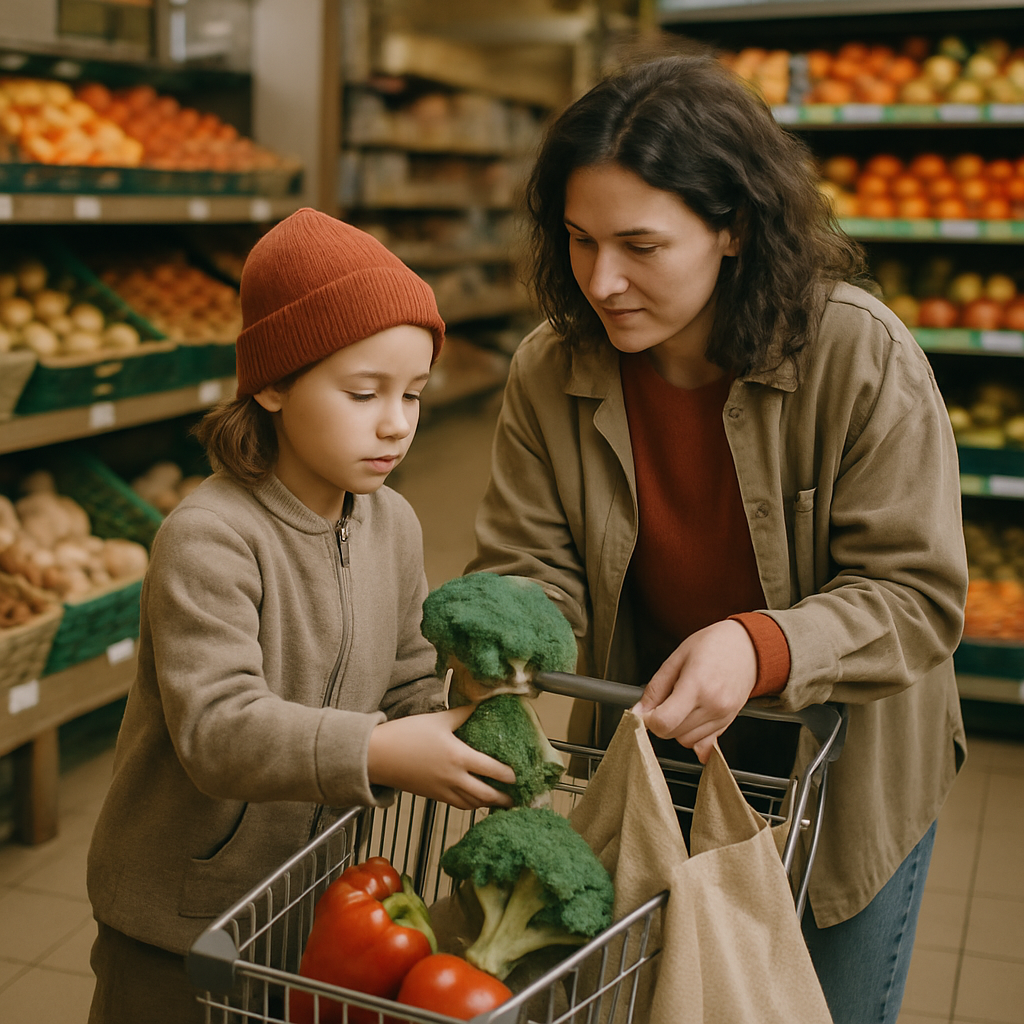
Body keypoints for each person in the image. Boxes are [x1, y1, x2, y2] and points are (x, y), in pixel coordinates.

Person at [466, 54, 968, 1024]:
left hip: (841, 768)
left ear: (733, 227)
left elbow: (914, 596)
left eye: (640, 245)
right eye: (578, 239)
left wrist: (757, 643)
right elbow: (530, 563)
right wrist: (505, 641)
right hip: (658, 741)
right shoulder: (550, 370)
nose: (602, 280)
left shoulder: (858, 355)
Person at [86, 208, 515, 1023]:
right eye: (363, 393)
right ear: (275, 384)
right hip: (178, 922)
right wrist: (381, 751)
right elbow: (219, 730)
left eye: (413, 394)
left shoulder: (393, 523)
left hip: (308, 903)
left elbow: (405, 677)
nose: (396, 422)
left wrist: (457, 721)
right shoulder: (209, 536)